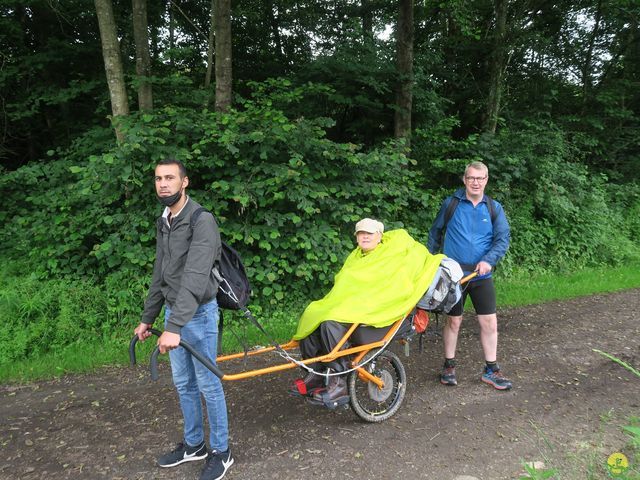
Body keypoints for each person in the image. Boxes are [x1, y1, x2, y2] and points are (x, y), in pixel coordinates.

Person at [134, 159, 233, 480]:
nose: (163, 184)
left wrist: (174, 327)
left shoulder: (201, 221)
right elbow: (161, 273)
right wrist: (149, 318)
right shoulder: (165, 220)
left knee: (208, 384)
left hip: (199, 315)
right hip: (173, 313)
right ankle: (194, 445)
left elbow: (194, 275)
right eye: (158, 178)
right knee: (184, 384)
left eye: (170, 178)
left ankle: (222, 451)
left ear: (184, 182)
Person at [291, 218, 444, 406]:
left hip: (377, 309)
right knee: (313, 314)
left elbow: (396, 284)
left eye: (369, 233)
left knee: (329, 323)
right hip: (354, 304)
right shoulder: (355, 256)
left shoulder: (391, 253)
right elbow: (346, 285)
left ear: (379, 236)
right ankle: (314, 374)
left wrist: (367, 302)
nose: (365, 236)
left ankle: (338, 383)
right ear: (356, 237)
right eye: (361, 233)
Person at [427, 161, 512, 390]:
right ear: (464, 179)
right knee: (454, 321)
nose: (476, 182)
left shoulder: (494, 208)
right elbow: (435, 232)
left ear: (486, 180)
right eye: (472, 178)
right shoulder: (451, 204)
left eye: (480, 178)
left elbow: (502, 239)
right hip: (454, 276)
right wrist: (428, 262)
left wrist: (489, 260)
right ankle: (449, 366)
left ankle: (491, 370)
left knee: (489, 322)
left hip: (481, 276)